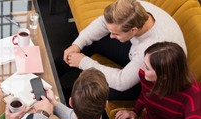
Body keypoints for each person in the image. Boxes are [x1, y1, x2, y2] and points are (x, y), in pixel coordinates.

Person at [56, 0, 186, 101]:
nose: (111, 36)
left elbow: (121, 82)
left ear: (133, 30)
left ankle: (62, 97)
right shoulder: (136, 8)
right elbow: (103, 23)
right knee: (87, 43)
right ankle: (52, 73)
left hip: (149, 77)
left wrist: (84, 62)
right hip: (135, 52)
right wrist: (77, 45)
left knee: (93, 90)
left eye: (116, 34)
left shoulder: (153, 50)